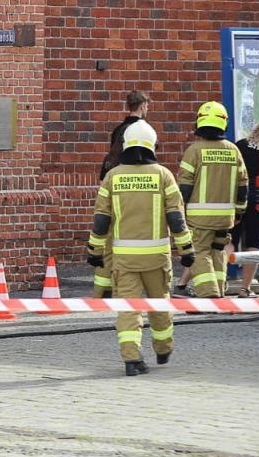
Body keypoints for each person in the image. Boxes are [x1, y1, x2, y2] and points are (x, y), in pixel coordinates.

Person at [86, 120, 194, 376]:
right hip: (156, 258)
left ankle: (131, 359)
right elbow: (176, 218)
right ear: (151, 145)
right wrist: (186, 249)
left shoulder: (113, 176)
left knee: (127, 308)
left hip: (124, 260)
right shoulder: (163, 175)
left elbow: (101, 221)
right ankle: (163, 348)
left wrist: (95, 252)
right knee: (159, 305)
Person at [177, 102, 247, 299]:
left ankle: (209, 294)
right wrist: (239, 212)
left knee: (199, 253)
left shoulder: (194, 151)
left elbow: (184, 188)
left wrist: (178, 212)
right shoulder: (233, 150)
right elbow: (243, 187)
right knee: (218, 251)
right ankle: (219, 291)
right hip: (225, 218)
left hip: (199, 218)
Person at [96, 90, 150, 296]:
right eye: (147, 105)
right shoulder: (143, 130)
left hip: (112, 186)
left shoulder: (118, 130)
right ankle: (127, 284)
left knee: (109, 241)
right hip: (133, 191)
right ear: (143, 105)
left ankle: (104, 288)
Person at [232, 121, 259, 296]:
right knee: (253, 242)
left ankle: (218, 283)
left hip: (237, 195)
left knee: (229, 239)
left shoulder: (241, 145)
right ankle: (245, 288)